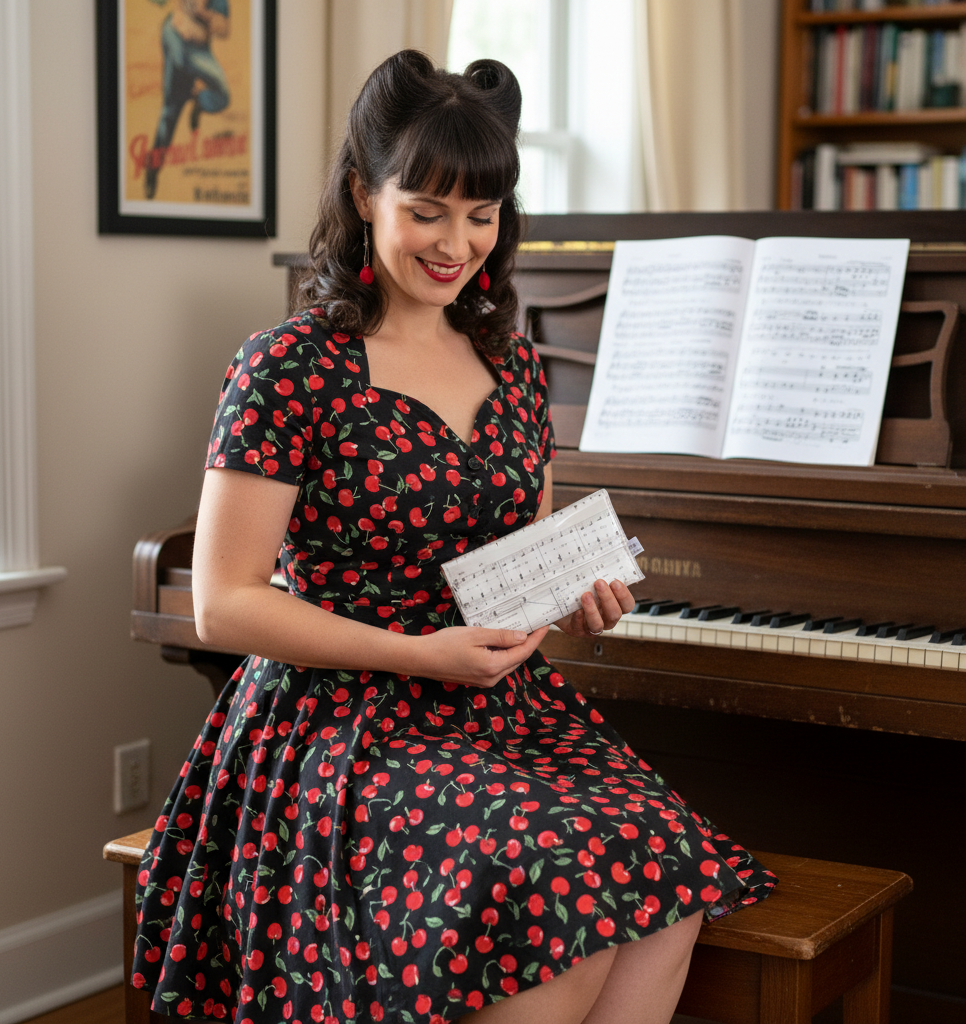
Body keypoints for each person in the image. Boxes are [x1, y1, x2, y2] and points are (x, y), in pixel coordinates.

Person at [130, 49, 777, 1024]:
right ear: (362, 192)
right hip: (338, 715)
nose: (456, 242)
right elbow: (226, 603)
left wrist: (571, 602)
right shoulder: (288, 366)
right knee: (554, 895)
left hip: (491, 704)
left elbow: (507, 569)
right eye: (426, 210)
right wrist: (417, 654)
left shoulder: (512, 364)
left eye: (481, 215)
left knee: (666, 878)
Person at [145, 0, 231, 199]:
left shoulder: (219, 3)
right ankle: (152, 172)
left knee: (223, 95)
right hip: (176, 39)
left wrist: (202, 14)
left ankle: (199, 99)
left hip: (199, 53)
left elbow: (223, 28)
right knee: (169, 116)